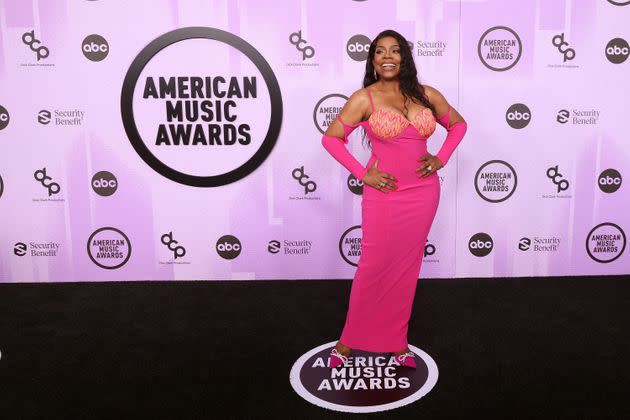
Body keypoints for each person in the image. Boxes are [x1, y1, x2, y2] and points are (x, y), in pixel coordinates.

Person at [321, 30, 467, 368]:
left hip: (423, 193)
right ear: (372, 60)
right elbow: (331, 139)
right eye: (380, 51)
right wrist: (363, 173)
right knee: (372, 266)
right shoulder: (364, 98)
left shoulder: (426, 94)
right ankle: (347, 341)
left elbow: (458, 125)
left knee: (407, 267)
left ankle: (397, 341)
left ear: (405, 57)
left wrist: (441, 158)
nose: (388, 57)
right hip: (383, 193)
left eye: (395, 50)